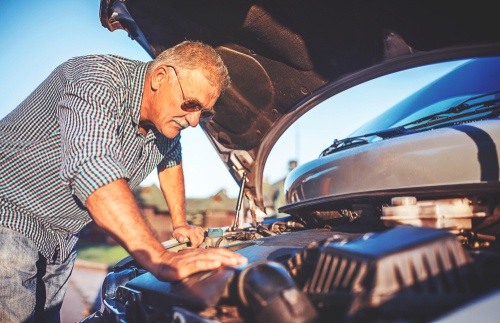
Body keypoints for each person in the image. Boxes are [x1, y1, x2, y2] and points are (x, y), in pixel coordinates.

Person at [0, 40, 247, 322]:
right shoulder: (96, 79)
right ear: (159, 77)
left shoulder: (164, 124)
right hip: (9, 217)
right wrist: (160, 258)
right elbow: (92, 167)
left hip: (61, 238)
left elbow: (171, 160)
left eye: (203, 112)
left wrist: (179, 222)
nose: (193, 121)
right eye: (191, 104)